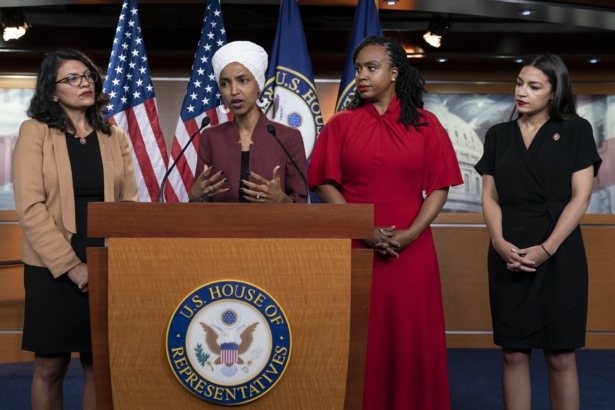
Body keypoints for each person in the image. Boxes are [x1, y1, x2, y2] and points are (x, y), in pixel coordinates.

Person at [308, 36, 462, 410]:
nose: (361, 75)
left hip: (413, 250)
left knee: (411, 338)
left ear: (394, 73)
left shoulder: (427, 124)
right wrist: (362, 228)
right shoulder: (341, 124)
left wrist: (409, 234)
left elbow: (439, 187)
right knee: (362, 339)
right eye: (358, 68)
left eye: (370, 68)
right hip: (356, 247)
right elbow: (324, 183)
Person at [12, 49, 138, 410]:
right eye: (72, 78)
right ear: (52, 91)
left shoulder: (115, 136)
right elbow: (30, 207)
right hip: (51, 267)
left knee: (98, 363)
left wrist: (115, 259)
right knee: (50, 367)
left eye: (88, 76)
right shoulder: (35, 132)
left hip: (105, 259)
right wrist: (71, 266)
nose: (84, 83)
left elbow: (128, 203)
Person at [475, 54, 601, 410]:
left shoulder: (577, 129)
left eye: (533, 86)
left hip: (559, 251)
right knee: (513, 354)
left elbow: (581, 196)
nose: (522, 92)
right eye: (519, 83)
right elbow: (489, 198)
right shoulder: (498, 134)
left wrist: (546, 248)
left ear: (554, 92)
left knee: (560, 356)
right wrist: (499, 243)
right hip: (508, 250)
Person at [188, 41, 307, 203]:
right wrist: (193, 197)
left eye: (242, 80)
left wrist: (283, 201)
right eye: (225, 83)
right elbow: (202, 201)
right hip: (219, 226)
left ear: (259, 84)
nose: (234, 91)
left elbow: (303, 201)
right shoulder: (210, 137)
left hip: (273, 227)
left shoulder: (288, 137)